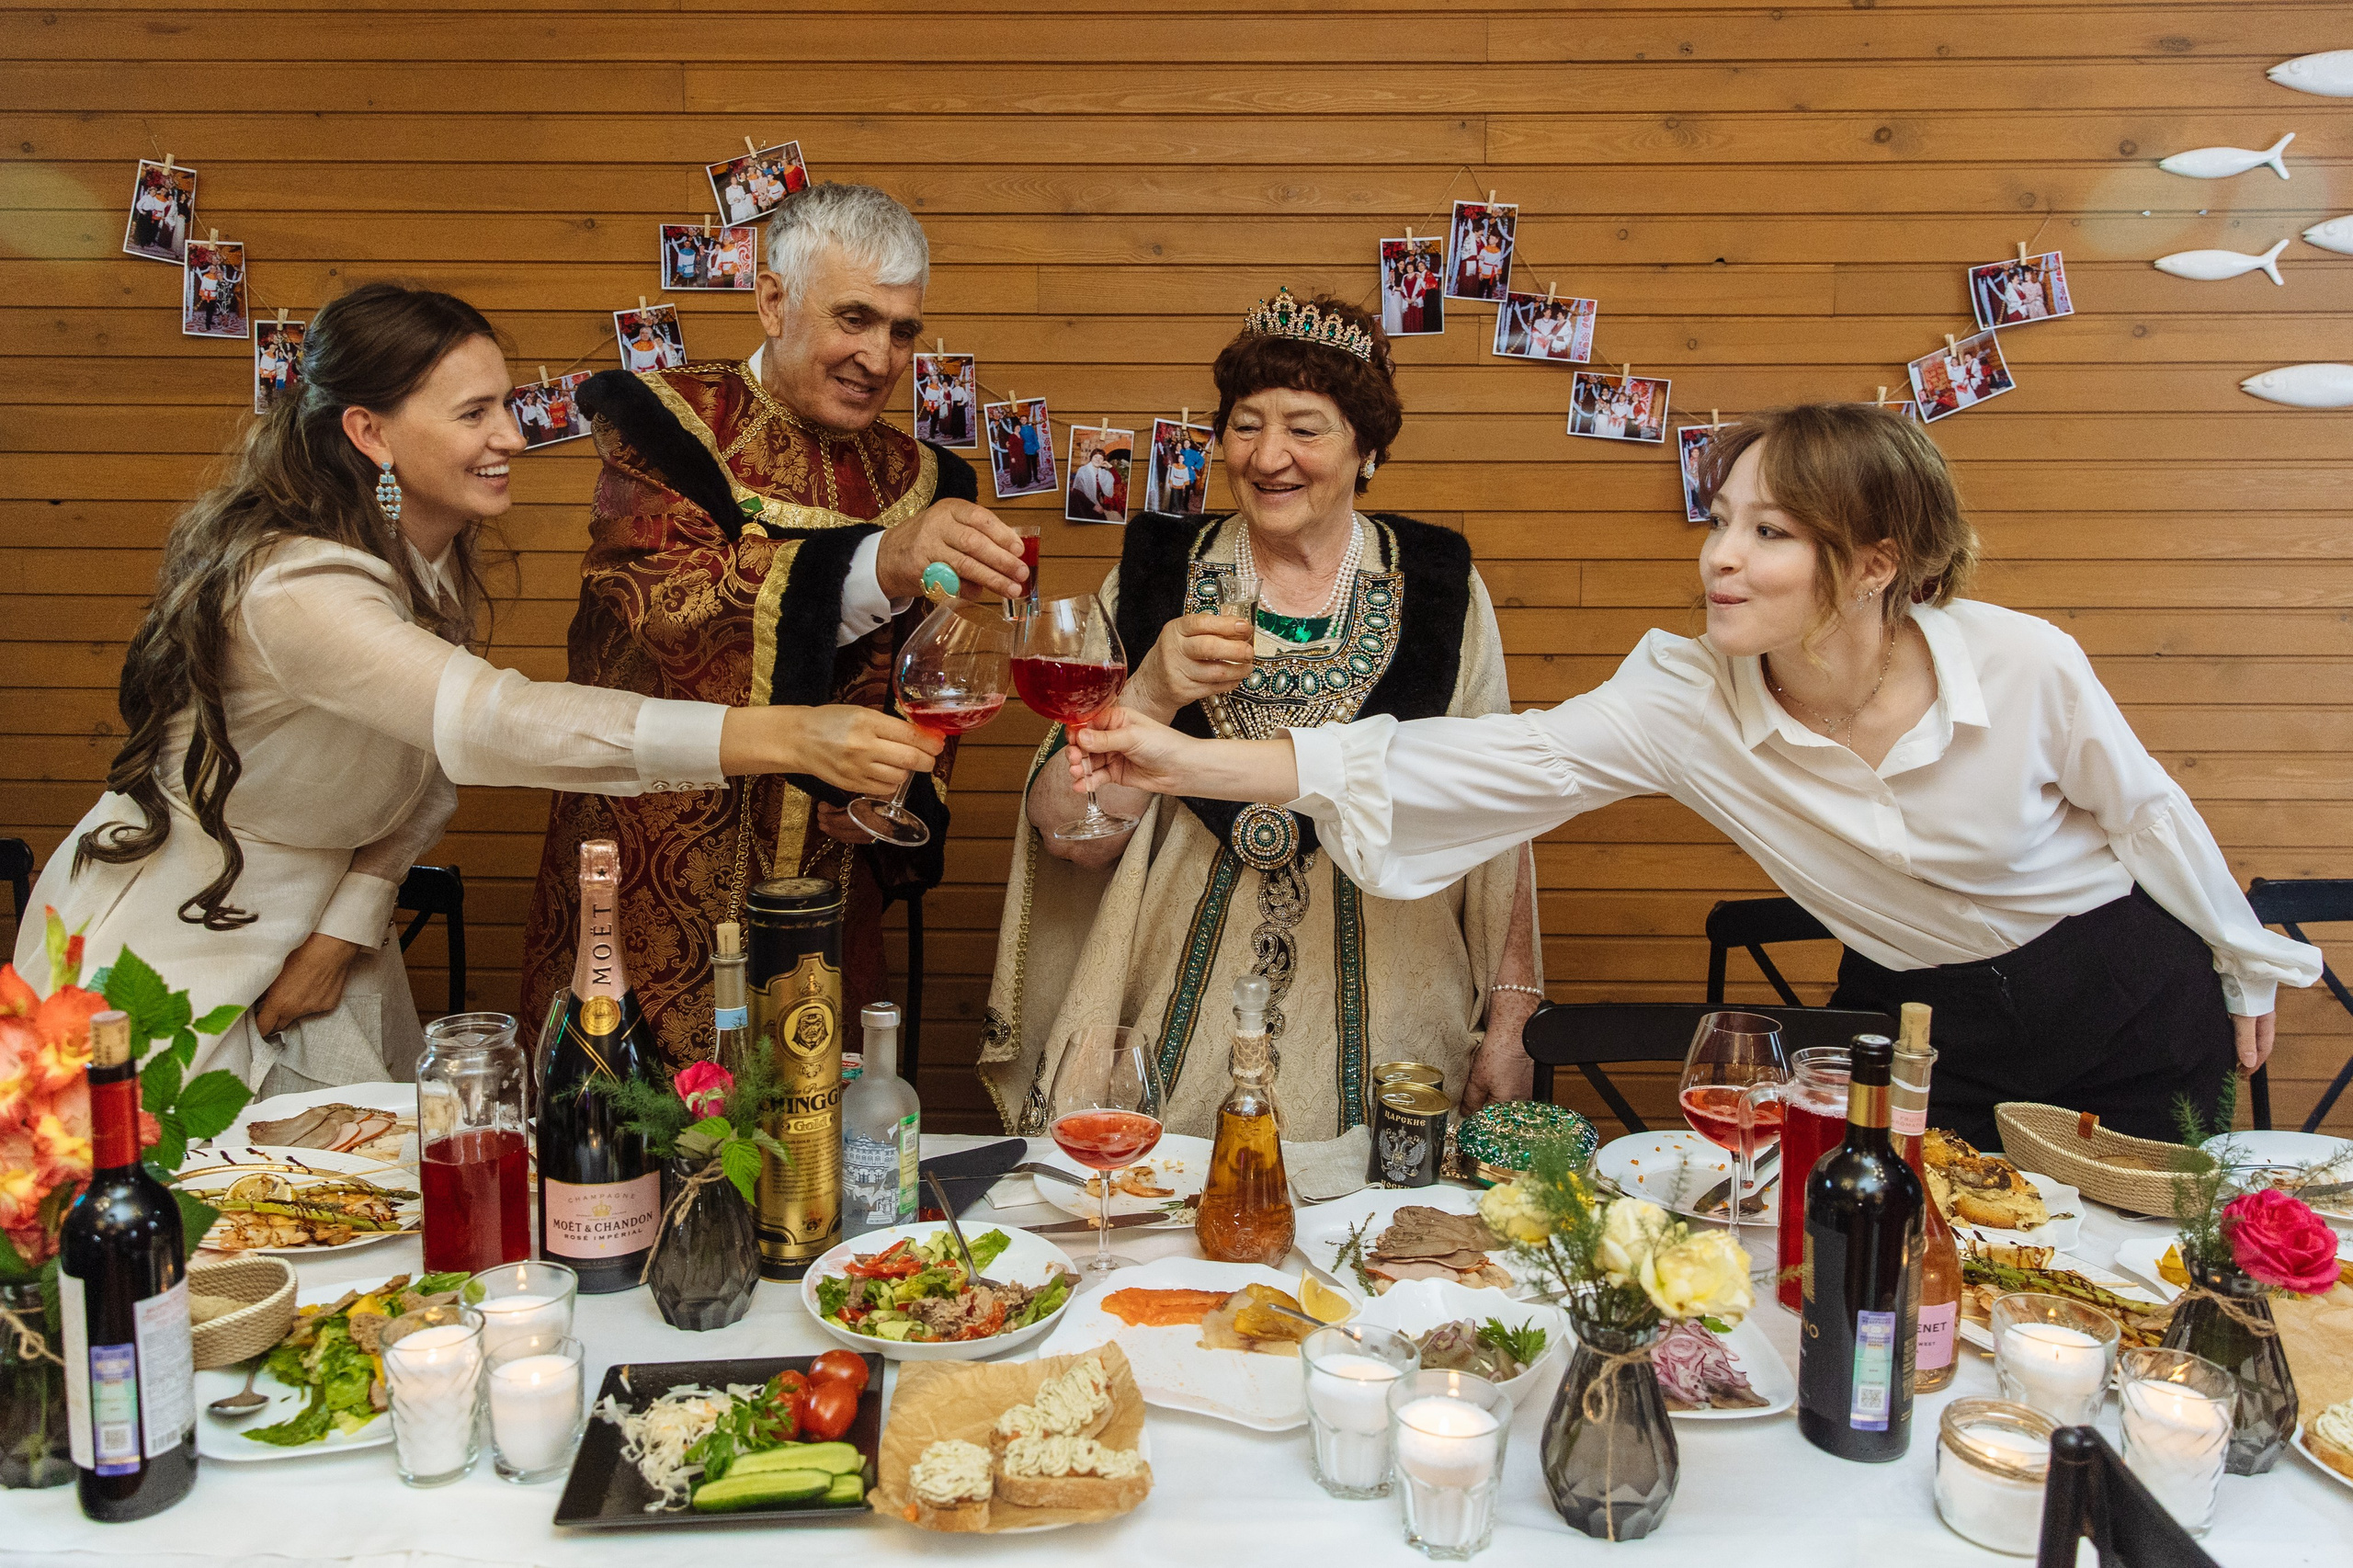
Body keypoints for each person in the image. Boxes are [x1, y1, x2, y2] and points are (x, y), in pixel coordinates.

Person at [1071, 403, 2323, 1149]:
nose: (1720, 557)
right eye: (1719, 519)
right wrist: (1184, 754)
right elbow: (1458, 759)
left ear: (1877, 559)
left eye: (1768, 530)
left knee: (2144, 1294)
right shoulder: (1682, 701)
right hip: (1926, 1017)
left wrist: (2240, 946)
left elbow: (2145, 809)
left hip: (2126, 996)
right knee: (1922, 1286)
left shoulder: (2022, 661)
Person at [13, 282, 938, 1092]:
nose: (511, 437)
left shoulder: (429, 557)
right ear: (369, 432)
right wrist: (780, 735)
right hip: (184, 937)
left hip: (322, 945)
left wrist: (346, 925)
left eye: (507, 405)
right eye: (474, 413)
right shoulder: (295, 586)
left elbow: (422, 769)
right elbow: (492, 721)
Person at [978, 289, 1543, 1139]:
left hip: (1395, 1012)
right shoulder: (1152, 579)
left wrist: (1509, 1024)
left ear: (1368, 448)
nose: (1269, 455)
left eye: (1305, 427)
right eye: (1246, 424)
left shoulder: (1440, 589)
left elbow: (1497, 814)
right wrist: (1152, 692)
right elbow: (1071, 836)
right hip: (1172, 1021)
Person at [520, 183, 1030, 1069]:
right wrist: (883, 562)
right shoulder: (665, 424)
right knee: (631, 1157)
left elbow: (935, 674)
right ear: (771, 299)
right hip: (660, 878)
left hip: (831, 895)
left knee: (821, 1156)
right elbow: (663, 614)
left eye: (903, 331)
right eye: (855, 319)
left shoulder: (928, 478)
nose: (879, 357)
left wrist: (897, 793)